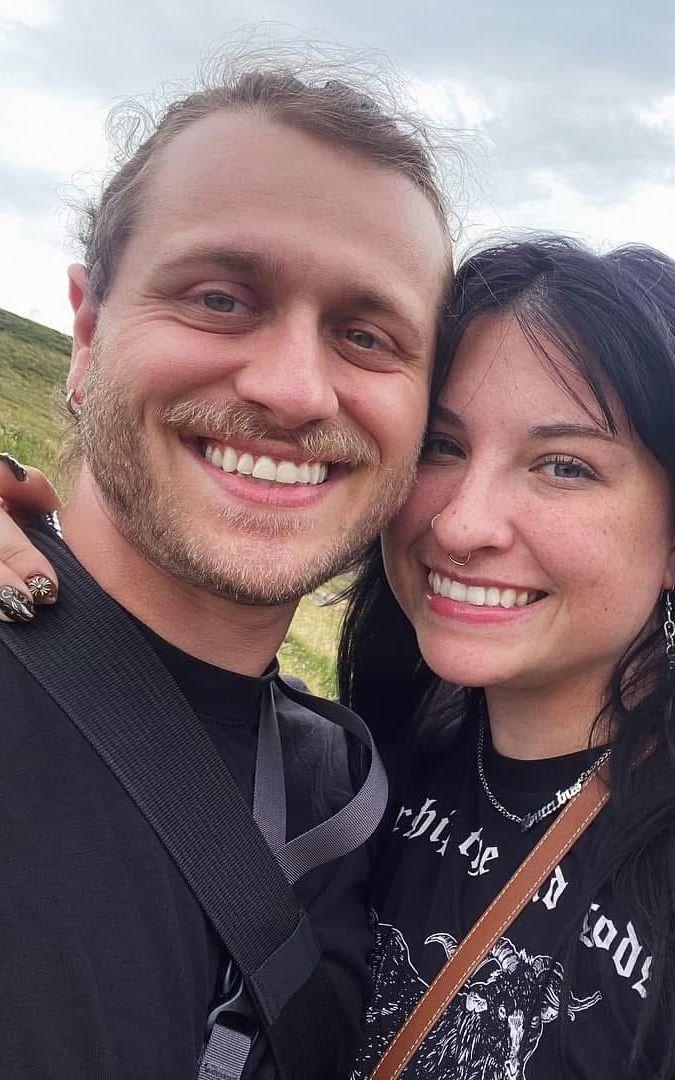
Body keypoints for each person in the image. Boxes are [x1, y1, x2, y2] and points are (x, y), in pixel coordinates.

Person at [1, 115, 675, 1080]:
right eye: (442, 446)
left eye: (564, 466)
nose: (465, 521)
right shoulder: (358, 764)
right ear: (88, 330)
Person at [0, 58, 451, 1079]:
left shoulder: (354, 789)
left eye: (368, 336)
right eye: (218, 297)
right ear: (85, 330)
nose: (295, 391)